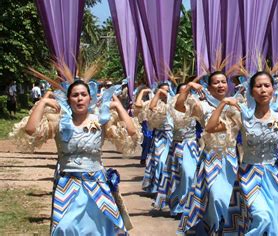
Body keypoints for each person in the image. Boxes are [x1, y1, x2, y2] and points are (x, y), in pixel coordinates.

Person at [10, 79, 142, 235]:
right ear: (68, 99)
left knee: (99, 229)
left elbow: (132, 132)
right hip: (68, 185)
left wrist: (118, 106)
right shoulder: (58, 121)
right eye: (75, 95)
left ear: (90, 98)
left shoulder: (101, 120)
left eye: (83, 94)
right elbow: (31, 130)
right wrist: (43, 102)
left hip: (96, 184)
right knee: (65, 227)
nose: (79, 98)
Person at [206, 71, 278, 235]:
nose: (263, 90)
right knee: (262, 216)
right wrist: (223, 104)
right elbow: (210, 128)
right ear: (251, 91)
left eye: (267, 85)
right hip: (249, 175)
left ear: (273, 90)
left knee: (276, 219)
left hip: (272, 175)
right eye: (258, 86)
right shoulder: (242, 116)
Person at [175, 72, 238, 234]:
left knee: (229, 199)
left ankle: (225, 229)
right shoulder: (202, 105)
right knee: (216, 197)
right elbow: (179, 106)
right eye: (216, 83)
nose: (220, 85)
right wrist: (189, 86)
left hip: (232, 158)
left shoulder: (236, 103)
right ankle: (213, 229)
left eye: (223, 82)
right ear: (209, 87)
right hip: (211, 158)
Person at [154, 83, 201, 216]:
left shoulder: (196, 105)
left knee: (189, 174)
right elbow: (152, 108)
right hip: (177, 145)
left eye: (188, 92)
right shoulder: (171, 106)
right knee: (176, 177)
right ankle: (177, 205)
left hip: (192, 145)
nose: (186, 94)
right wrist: (157, 94)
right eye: (183, 92)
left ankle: (187, 206)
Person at [141, 83, 173, 193]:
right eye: (162, 90)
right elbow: (151, 107)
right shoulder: (156, 103)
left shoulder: (173, 102)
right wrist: (158, 93)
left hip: (173, 137)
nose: (165, 93)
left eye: (167, 91)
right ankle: (159, 188)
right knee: (160, 162)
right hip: (160, 136)